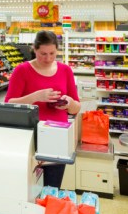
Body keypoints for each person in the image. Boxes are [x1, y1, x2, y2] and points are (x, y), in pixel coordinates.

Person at [5, 30, 81, 189]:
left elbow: (76, 108)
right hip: (30, 139)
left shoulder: (65, 70)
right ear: (34, 49)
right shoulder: (22, 70)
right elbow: (9, 104)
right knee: (28, 190)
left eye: (52, 53)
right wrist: (35, 97)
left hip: (57, 139)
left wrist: (69, 103)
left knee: (51, 188)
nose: (48, 58)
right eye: (43, 54)